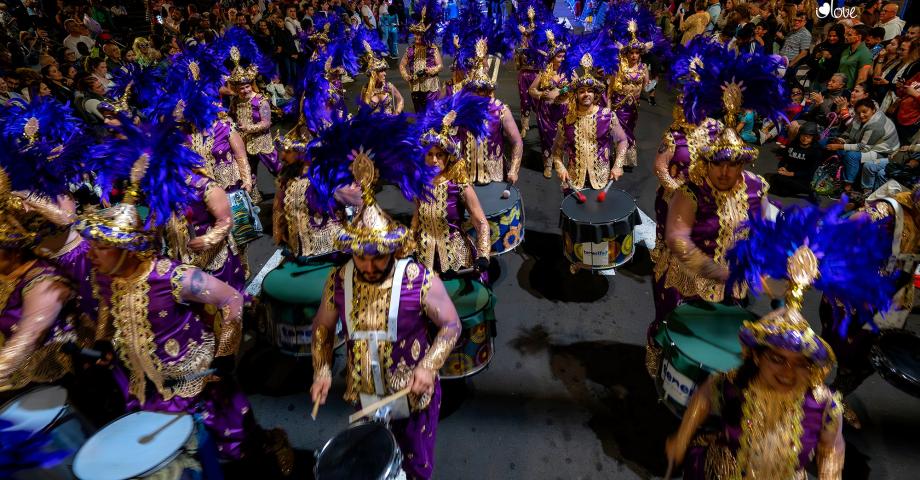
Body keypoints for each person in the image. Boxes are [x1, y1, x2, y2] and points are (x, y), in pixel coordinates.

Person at [72, 118, 293, 472]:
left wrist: (222, 355)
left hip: (212, 266)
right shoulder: (156, 204)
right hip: (157, 346)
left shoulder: (204, 187)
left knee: (230, 437)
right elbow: (110, 309)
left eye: (101, 247)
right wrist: (101, 343)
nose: (92, 255)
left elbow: (225, 225)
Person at [308, 112, 462, 480]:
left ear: (392, 251)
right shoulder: (338, 279)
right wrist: (323, 369)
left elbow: (451, 325)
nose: (369, 265)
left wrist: (429, 366)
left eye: (378, 257)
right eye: (362, 256)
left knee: (414, 467)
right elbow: (321, 330)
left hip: (412, 395)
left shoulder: (420, 280)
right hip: (365, 395)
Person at [412, 93, 492, 275]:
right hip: (424, 257)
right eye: (429, 154)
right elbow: (417, 217)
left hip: (456, 259)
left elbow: (481, 223)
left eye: (439, 155)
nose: (433, 160)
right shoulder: (420, 183)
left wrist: (483, 255)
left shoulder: (459, 185)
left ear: (447, 158)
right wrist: (409, 242)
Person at [552, 54, 629, 190]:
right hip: (573, 182)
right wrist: (560, 168)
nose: (586, 94)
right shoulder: (566, 122)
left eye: (590, 91)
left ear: (595, 95)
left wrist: (618, 165)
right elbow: (556, 152)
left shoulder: (607, 116)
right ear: (576, 95)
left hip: (601, 180)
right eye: (581, 91)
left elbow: (622, 140)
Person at [462, 40, 523, 185]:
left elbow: (517, 141)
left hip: (494, 178)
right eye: (473, 90)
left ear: (488, 92)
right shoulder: (461, 111)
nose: (477, 94)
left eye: (481, 90)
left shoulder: (501, 110)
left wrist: (514, 169)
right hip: (465, 179)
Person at [826, 98, 900, 193]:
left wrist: (840, 146)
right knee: (833, 145)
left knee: (851, 156)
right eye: (858, 112)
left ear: (873, 110)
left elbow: (863, 147)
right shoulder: (858, 118)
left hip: (883, 152)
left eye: (865, 111)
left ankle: (848, 187)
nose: (861, 115)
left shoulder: (876, 125)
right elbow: (849, 133)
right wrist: (841, 140)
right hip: (869, 146)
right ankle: (835, 178)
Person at [228, 59, 281, 177]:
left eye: (247, 86)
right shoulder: (235, 101)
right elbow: (231, 116)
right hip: (243, 142)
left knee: (276, 168)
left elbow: (266, 123)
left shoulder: (261, 100)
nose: (245, 90)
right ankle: (254, 195)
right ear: (236, 89)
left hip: (261, 140)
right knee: (248, 173)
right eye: (242, 88)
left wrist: (248, 128)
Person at [609, 22, 651, 170]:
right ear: (626, 53)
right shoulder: (620, 66)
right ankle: (618, 159)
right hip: (620, 104)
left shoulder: (644, 68)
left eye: (637, 53)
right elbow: (613, 86)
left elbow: (647, 86)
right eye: (631, 52)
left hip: (633, 106)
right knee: (619, 131)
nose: (634, 55)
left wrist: (651, 84)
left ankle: (627, 159)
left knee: (630, 130)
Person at [529, 31, 569, 178]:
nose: (562, 59)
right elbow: (531, 90)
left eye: (564, 56)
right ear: (552, 57)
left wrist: (569, 92)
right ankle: (547, 163)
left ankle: (560, 162)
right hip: (547, 112)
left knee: (564, 137)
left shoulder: (569, 72)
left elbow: (578, 87)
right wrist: (540, 94)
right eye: (559, 56)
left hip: (564, 110)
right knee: (547, 137)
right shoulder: (544, 73)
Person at [399, 4, 442, 113]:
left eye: (420, 34)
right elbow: (402, 65)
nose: (417, 37)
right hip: (415, 87)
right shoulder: (410, 49)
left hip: (431, 86)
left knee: (430, 114)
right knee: (419, 113)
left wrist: (432, 70)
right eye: (415, 34)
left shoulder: (432, 48)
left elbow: (440, 65)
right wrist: (406, 76)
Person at [769, 121, 823, 201]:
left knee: (781, 189)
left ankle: (810, 191)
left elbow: (810, 171)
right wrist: (782, 167)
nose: (805, 139)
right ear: (800, 134)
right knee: (776, 180)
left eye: (808, 137)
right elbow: (785, 158)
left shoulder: (816, 150)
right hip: (788, 173)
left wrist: (791, 174)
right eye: (803, 135)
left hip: (802, 177)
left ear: (813, 138)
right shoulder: (794, 143)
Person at [361, 48, 404, 115]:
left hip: (390, 122)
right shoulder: (366, 89)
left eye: (384, 71)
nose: (385, 74)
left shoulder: (388, 86)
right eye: (381, 71)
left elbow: (400, 99)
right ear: (374, 74)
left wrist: (397, 111)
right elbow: (361, 109)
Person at [838, 25, 874, 90]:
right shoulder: (847, 49)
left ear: (859, 37)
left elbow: (862, 78)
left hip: (848, 91)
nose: (846, 37)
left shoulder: (865, 54)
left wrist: (853, 94)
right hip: (838, 88)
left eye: (849, 35)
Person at [779, 12, 812, 83]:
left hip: (791, 64)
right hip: (783, 62)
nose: (796, 22)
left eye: (800, 21)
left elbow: (804, 53)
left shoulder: (806, 34)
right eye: (795, 20)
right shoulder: (792, 31)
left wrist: (791, 64)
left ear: (805, 22)